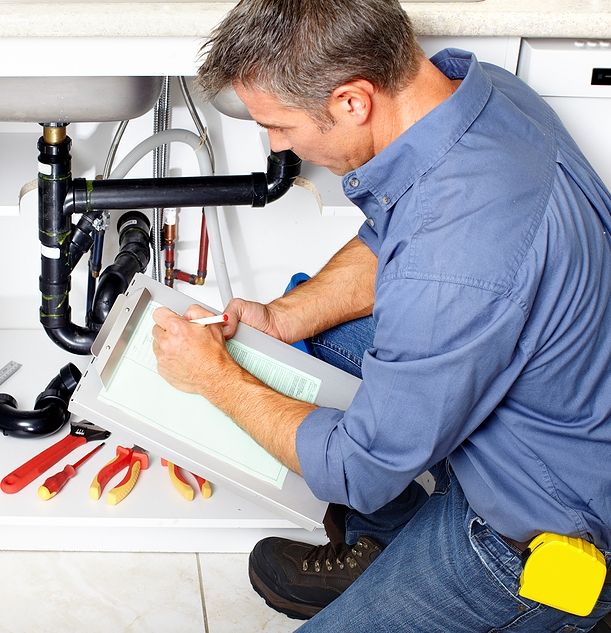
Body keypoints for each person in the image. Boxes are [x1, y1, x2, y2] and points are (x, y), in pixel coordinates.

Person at [151, 0, 611, 630]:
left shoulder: (453, 257)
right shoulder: (480, 100)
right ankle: (384, 549)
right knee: (327, 335)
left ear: (351, 102)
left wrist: (216, 380)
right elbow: (395, 237)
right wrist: (285, 318)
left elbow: (356, 468)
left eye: (279, 126)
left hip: (546, 534)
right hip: (563, 407)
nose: (274, 143)